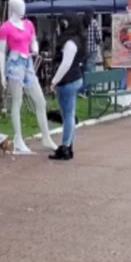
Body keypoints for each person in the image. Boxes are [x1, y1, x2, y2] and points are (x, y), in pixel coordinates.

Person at [50, 15, 87, 161]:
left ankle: (65, 147)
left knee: (68, 116)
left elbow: (65, 64)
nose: (61, 26)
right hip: (75, 77)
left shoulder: (70, 42)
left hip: (67, 80)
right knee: (69, 115)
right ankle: (68, 145)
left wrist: (54, 81)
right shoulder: (79, 39)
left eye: (64, 23)